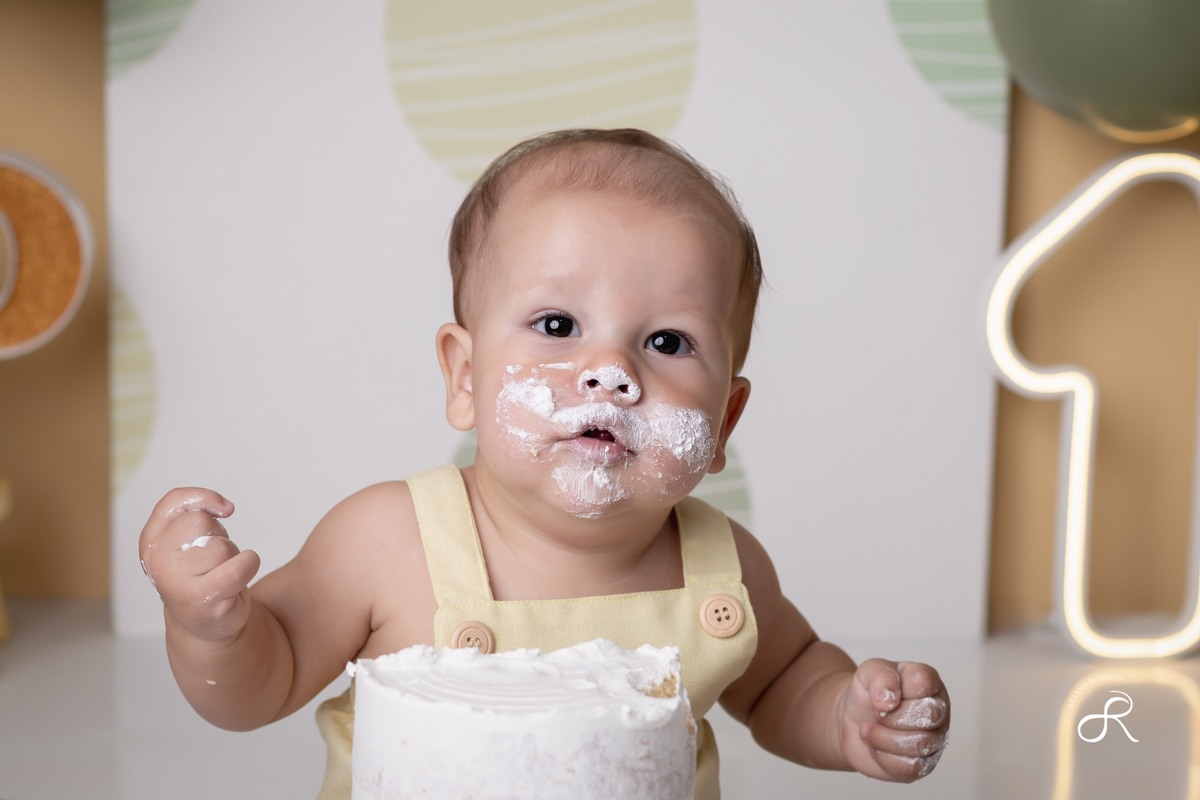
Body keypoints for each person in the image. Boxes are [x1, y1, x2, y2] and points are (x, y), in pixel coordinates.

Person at [139, 128, 949, 799]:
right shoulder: (386, 541)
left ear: (726, 418)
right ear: (463, 375)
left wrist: (847, 713)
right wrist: (212, 629)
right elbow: (261, 683)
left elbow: (782, 685)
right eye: (557, 324)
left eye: (667, 341)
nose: (611, 371)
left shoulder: (724, 571)